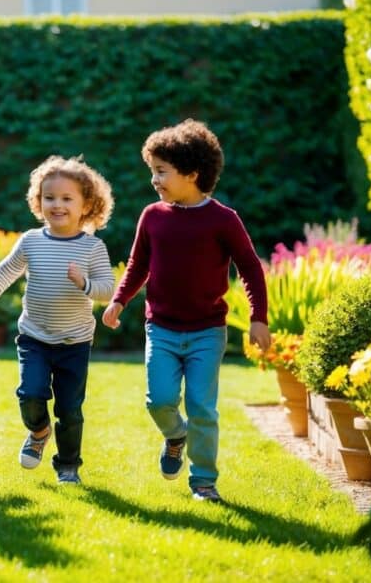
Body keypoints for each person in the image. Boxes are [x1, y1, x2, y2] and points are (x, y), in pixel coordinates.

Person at [102, 119, 270, 503]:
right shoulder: (153, 216)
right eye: (152, 171)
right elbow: (137, 263)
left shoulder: (223, 220)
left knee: (202, 407)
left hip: (207, 332)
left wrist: (258, 317)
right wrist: (119, 299)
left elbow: (250, 267)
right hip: (160, 327)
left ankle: (204, 482)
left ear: (192, 174)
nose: (154, 180)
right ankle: (175, 436)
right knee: (159, 400)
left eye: (161, 171)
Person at [0, 156, 115, 485]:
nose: (56, 205)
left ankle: (68, 465)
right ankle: (38, 431)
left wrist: (85, 284)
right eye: (49, 197)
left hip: (74, 343)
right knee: (29, 393)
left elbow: (107, 289)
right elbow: (6, 270)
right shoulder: (31, 241)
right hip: (34, 337)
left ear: (86, 204)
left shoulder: (92, 247)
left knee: (70, 410)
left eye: (66, 198)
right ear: (38, 200)